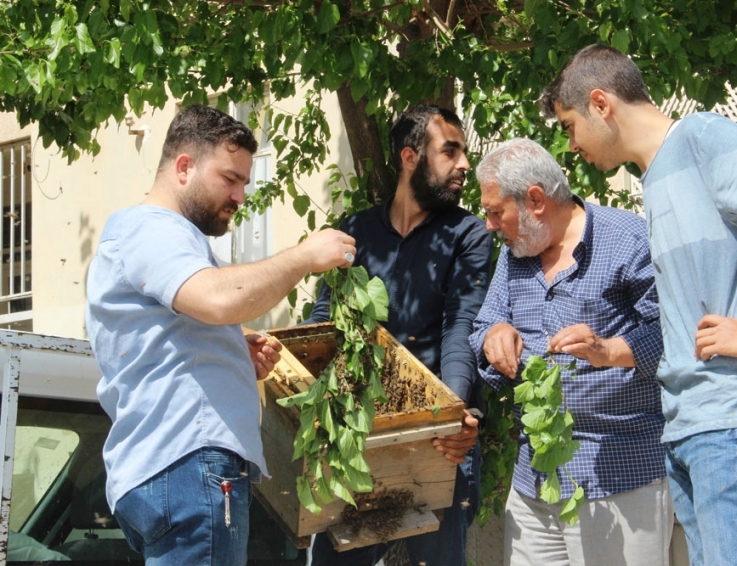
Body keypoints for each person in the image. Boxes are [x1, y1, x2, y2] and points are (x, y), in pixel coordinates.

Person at [540, 44, 737, 566]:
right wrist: (611, 350)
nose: (571, 145)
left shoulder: (701, 137)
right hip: (690, 426)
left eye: (569, 125)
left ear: (600, 103)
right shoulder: (655, 177)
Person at [85, 104, 357, 566]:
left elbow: (171, 327)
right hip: (190, 464)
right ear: (185, 166)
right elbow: (217, 299)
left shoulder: (150, 236)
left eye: (245, 183)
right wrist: (304, 257)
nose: (240, 196)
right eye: (230, 178)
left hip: (168, 468)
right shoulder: (153, 227)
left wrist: (232, 342)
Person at [469, 137, 671, 565]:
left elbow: (675, 332)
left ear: (535, 200)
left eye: (494, 211)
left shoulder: (629, 239)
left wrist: (610, 349)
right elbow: (483, 326)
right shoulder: (514, 255)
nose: (489, 225)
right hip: (534, 478)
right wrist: (494, 336)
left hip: (621, 474)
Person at [307, 104, 493, 566]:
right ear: (411, 158)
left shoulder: (468, 234)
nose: (464, 164)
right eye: (450, 152)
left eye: (463, 152)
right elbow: (325, 320)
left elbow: (461, 326)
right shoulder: (354, 232)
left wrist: (454, 415)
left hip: (439, 439)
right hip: (361, 438)